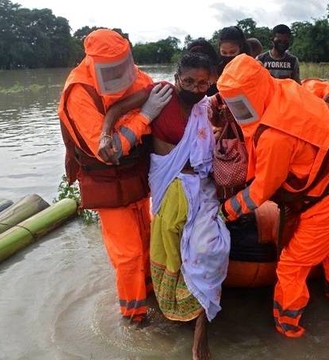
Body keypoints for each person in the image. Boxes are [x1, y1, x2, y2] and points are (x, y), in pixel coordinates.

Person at [217, 55, 329, 338]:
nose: (236, 110)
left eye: (238, 103)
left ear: (253, 93)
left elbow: (260, 192)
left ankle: (288, 325)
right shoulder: (283, 90)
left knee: (291, 265)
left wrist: (225, 211)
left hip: (326, 200)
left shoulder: (275, 135)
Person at [101, 52, 231, 360]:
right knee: (171, 249)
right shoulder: (159, 94)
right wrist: (105, 134)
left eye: (203, 83)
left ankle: (201, 331)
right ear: (176, 78)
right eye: (188, 81)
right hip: (169, 185)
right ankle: (173, 312)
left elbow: (214, 141)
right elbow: (117, 109)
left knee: (210, 249)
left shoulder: (207, 106)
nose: (195, 88)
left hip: (201, 187)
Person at [57, 29, 172, 325]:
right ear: (93, 65)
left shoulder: (136, 77)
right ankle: (134, 317)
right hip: (106, 181)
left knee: (147, 241)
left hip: (136, 176)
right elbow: (108, 152)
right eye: (113, 71)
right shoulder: (80, 93)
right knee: (129, 254)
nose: (122, 76)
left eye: (125, 67)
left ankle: (150, 295)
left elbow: (156, 100)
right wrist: (144, 116)